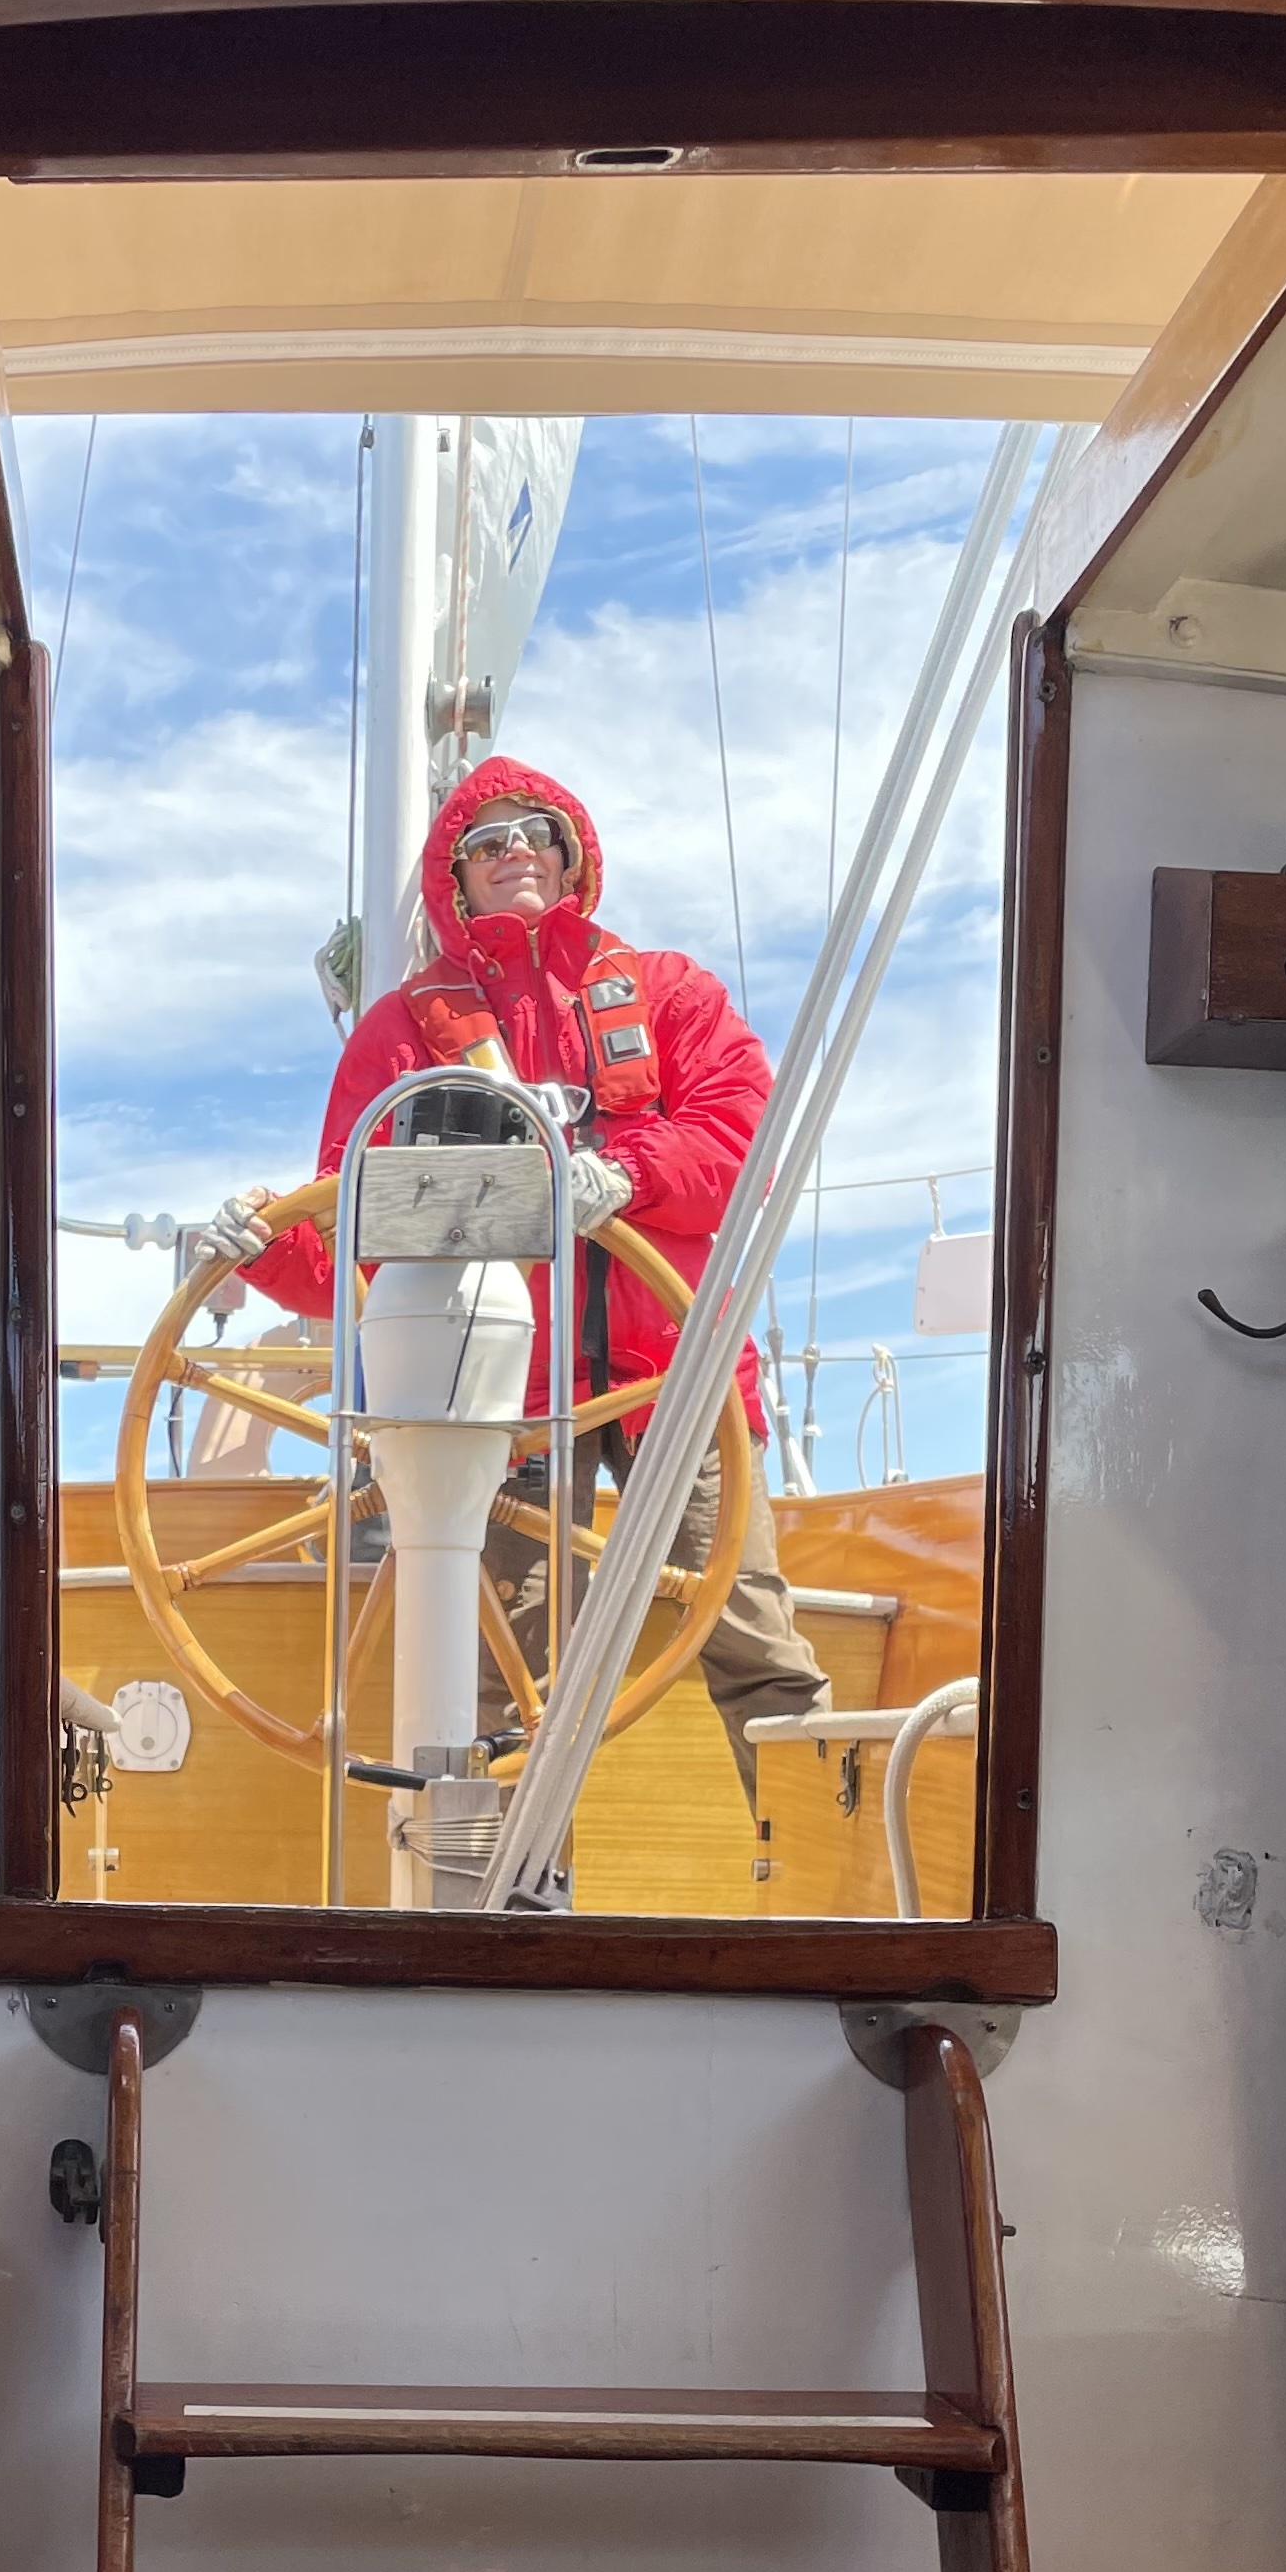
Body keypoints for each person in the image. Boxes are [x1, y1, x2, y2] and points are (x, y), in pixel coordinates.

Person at [200, 755, 827, 1796]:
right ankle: (503, 1890)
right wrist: (261, 1241)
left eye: (536, 832)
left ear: (572, 855)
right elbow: (354, 1237)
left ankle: (821, 1868)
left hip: (676, 1382)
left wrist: (627, 1172)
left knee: (757, 1649)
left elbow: (745, 1142)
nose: (515, 852)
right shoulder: (404, 1032)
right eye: (486, 842)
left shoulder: (670, 992)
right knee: (508, 1695)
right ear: (455, 880)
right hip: (508, 1401)